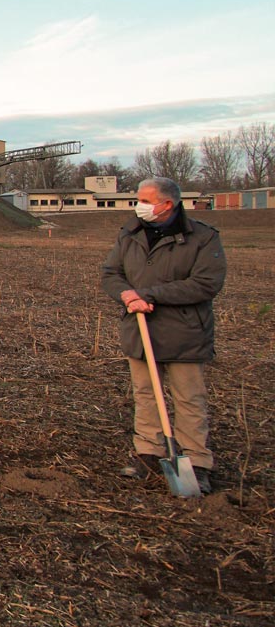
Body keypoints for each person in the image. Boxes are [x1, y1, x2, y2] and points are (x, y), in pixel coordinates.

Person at [101, 176, 225, 493]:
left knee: (189, 399)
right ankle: (148, 453)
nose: (138, 206)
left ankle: (197, 463)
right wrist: (127, 296)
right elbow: (111, 274)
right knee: (145, 395)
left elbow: (205, 284)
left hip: (184, 332)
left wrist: (149, 294)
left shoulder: (203, 238)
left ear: (167, 204)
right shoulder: (130, 234)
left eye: (145, 200)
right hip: (139, 330)